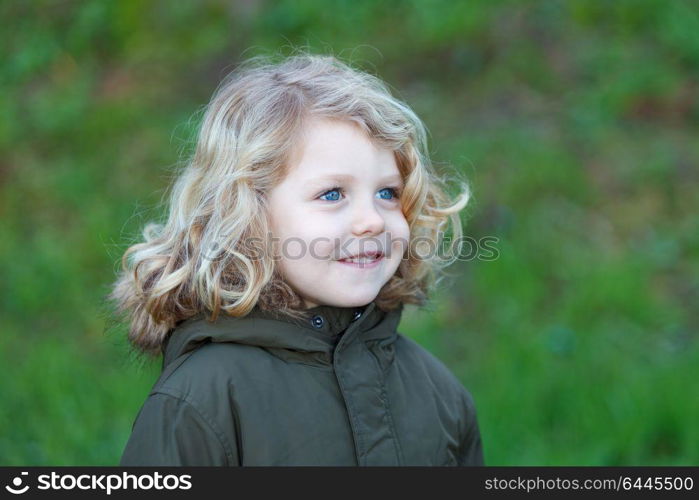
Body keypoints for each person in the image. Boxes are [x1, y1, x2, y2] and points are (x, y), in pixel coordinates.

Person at [111, 51, 484, 466]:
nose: (372, 221)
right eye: (332, 194)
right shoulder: (201, 400)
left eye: (387, 193)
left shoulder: (437, 392)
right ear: (249, 216)